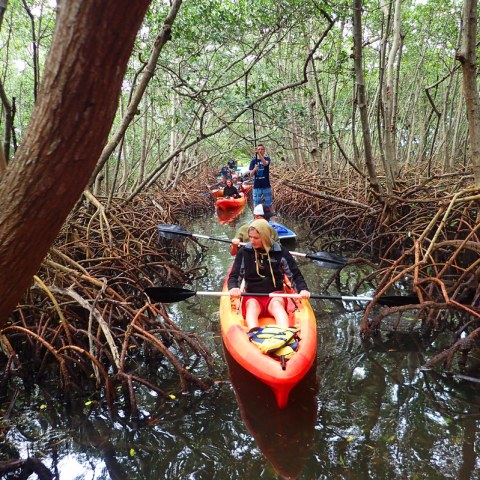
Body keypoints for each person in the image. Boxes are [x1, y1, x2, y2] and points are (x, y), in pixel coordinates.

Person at [228, 219, 310, 330]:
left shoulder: (280, 252)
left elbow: (294, 274)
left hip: (275, 295)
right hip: (253, 295)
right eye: (250, 237)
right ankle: (254, 333)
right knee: (252, 307)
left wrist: (302, 289)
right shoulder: (244, 252)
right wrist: (234, 287)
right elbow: (235, 275)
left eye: (256, 238)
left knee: (277, 306)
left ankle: (284, 333)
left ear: (265, 236)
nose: (252, 241)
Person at [249, 144, 272, 209]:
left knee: (269, 204)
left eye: (262, 149)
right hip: (257, 186)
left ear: (264, 150)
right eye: (259, 149)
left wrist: (258, 154)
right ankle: (257, 218)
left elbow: (265, 164)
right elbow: (251, 175)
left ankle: (269, 217)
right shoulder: (253, 161)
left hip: (266, 186)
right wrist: (254, 169)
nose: (260, 150)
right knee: (256, 204)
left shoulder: (267, 158)